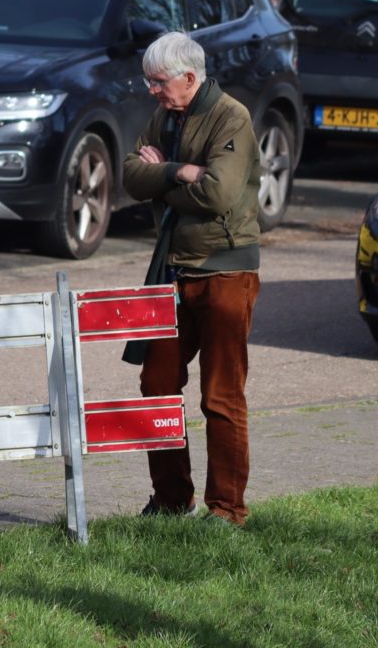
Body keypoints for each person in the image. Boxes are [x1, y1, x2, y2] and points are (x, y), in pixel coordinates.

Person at [122, 32, 263, 527]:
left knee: (220, 395)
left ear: (189, 77)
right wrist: (181, 172)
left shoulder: (232, 116)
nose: (151, 91)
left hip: (226, 268)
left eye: (158, 82)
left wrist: (163, 178)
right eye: (148, 81)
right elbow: (130, 174)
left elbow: (219, 195)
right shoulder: (165, 115)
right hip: (171, 269)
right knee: (156, 382)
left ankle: (226, 509)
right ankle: (169, 500)